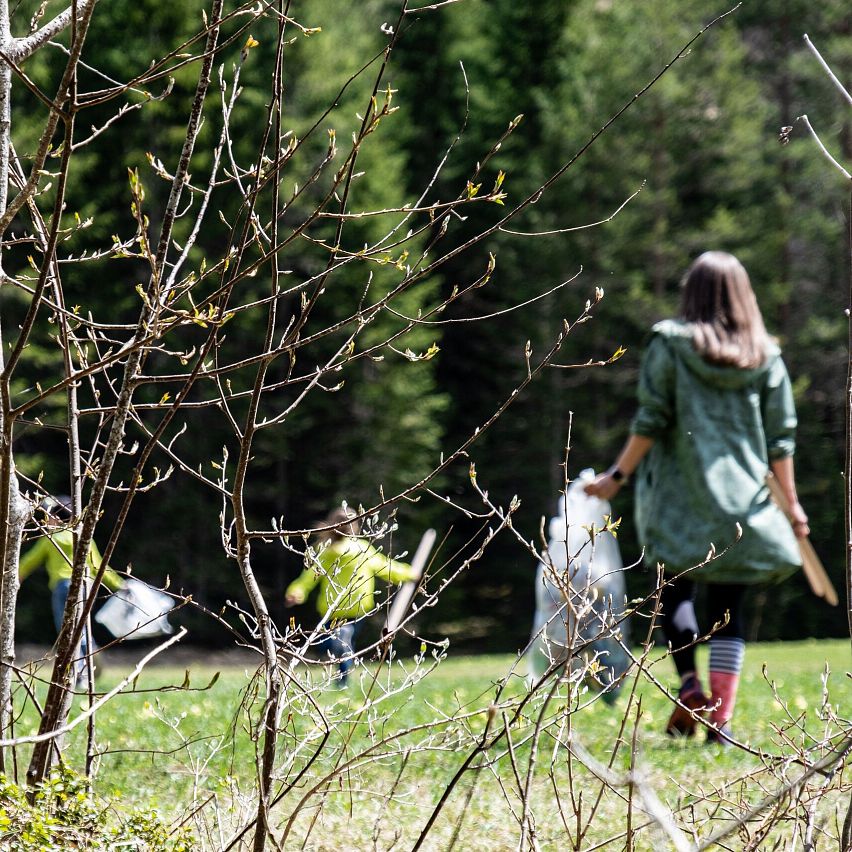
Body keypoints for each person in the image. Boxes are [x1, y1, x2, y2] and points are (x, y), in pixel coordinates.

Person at [585, 251, 809, 744]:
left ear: (692, 292)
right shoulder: (765, 355)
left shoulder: (670, 343)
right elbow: (781, 439)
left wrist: (616, 477)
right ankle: (721, 719)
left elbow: (651, 419)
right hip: (743, 502)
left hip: (678, 496)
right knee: (730, 602)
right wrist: (791, 504)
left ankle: (691, 689)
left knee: (675, 590)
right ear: (744, 295)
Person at [285, 507, 418, 686]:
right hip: (358, 608)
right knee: (344, 646)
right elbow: (386, 567)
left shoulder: (324, 551)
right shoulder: (361, 549)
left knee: (334, 644)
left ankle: (340, 670)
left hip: (332, 609)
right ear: (354, 526)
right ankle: (342, 680)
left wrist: (296, 592)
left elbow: (307, 578)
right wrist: (410, 574)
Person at [19, 496, 123, 685]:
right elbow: (100, 567)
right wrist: (121, 585)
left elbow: (28, 562)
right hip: (86, 586)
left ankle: (80, 675)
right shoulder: (85, 538)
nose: (46, 521)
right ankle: (90, 652)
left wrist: (12, 576)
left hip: (63, 587)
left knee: (67, 632)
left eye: (48, 516)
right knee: (81, 626)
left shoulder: (53, 538)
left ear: (58, 519)